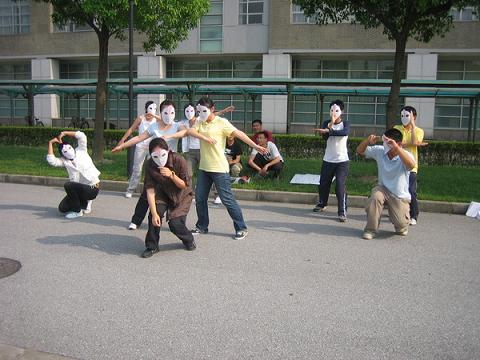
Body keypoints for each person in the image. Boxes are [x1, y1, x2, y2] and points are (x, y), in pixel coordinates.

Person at [164, 97, 266, 240]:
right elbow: (189, 132)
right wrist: (203, 138)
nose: (201, 114)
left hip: (219, 168)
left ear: (212, 109)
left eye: (204, 111)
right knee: (200, 198)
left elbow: (239, 134)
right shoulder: (199, 121)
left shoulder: (222, 123)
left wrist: (255, 146)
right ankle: (202, 226)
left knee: (227, 199)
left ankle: (241, 227)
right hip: (204, 168)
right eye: (199, 111)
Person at [112, 100, 192, 230]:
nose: (169, 115)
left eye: (172, 112)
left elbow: (185, 132)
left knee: (177, 193)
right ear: (160, 113)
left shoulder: (177, 125)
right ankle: (136, 220)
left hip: (171, 165)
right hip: (155, 165)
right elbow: (139, 138)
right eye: (165, 112)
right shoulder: (154, 126)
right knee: (147, 193)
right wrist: (122, 145)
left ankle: (178, 223)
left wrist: (170, 136)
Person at [356, 128, 416, 240]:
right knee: (376, 196)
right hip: (383, 188)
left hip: (399, 195)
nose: (385, 145)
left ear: (398, 144)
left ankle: (401, 225)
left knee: (401, 226)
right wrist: (367, 141)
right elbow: (360, 151)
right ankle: (370, 229)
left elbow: (411, 165)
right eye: (385, 141)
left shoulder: (406, 155)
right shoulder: (380, 151)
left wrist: (397, 148)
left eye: (389, 143)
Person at [141, 137, 196, 258]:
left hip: (182, 195)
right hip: (163, 193)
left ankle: (188, 239)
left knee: (175, 224)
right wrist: (154, 213)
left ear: (168, 150)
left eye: (162, 154)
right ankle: (152, 246)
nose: (159, 159)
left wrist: (171, 175)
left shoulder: (179, 160)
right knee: (154, 216)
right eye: (155, 156)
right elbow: (150, 190)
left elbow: (184, 185)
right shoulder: (150, 164)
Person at [46, 131, 100, 219]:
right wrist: (50, 143)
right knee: (62, 208)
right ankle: (84, 204)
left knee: (68, 185)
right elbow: (51, 161)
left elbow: (82, 136)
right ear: (63, 154)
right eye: (65, 151)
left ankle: (78, 211)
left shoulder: (81, 150)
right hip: (80, 189)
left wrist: (65, 133)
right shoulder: (65, 161)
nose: (69, 151)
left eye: (70, 148)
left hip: (92, 188)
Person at [312, 99, 350, 222]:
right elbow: (325, 137)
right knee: (323, 183)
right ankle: (322, 203)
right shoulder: (326, 123)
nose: (334, 112)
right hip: (328, 159)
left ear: (342, 111)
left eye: (337, 110)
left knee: (340, 185)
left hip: (342, 161)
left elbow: (343, 133)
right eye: (332, 110)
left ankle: (342, 211)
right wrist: (329, 126)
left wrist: (330, 130)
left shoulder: (346, 124)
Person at [393, 106, 428, 226]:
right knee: (396, 190)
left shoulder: (419, 130)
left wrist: (412, 127)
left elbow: (413, 141)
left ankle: (414, 215)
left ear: (414, 117)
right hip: (397, 164)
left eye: (407, 116)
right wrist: (413, 144)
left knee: (411, 191)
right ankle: (397, 211)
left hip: (411, 166)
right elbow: (397, 143)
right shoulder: (396, 128)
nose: (404, 118)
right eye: (402, 115)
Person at [117, 101, 157, 198]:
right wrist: (123, 139)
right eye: (150, 108)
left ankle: (150, 191)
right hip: (140, 147)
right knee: (137, 169)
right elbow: (131, 129)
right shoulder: (141, 118)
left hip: (152, 148)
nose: (153, 111)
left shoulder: (157, 119)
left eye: (155, 109)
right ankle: (130, 189)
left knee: (152, 170)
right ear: (146, 108)